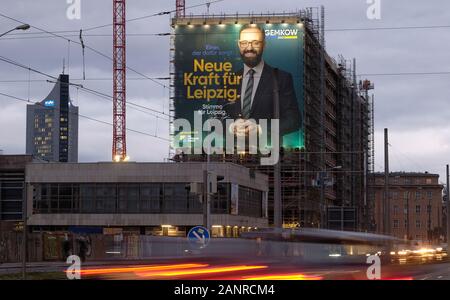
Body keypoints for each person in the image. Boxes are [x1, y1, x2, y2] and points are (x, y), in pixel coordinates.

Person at [224, 24, 301, 137]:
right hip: (232, 150)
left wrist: (261, 129)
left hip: (267, 149)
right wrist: (231, 127)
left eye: (255, 43)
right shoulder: (230, 80)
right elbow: (217, 114)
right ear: (238, 45)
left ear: (264, 45)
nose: (249, 48)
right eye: (244, 43)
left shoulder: (281, 78)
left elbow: (294, 120)